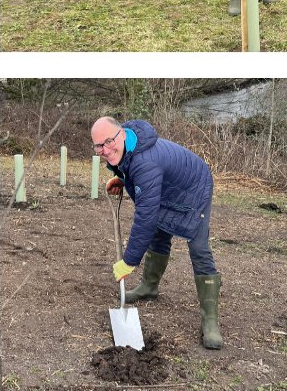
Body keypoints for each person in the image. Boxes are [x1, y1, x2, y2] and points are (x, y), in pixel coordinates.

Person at [92, 116, 222, 350]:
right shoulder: (128, 146)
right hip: (168, 187)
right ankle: (149, 287)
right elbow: (132, 169)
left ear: (121, 134)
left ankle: (210, 320)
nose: (105, 150)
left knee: (198, 247)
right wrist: (122, 178)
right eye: (99, 146)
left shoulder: (146, 162)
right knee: (159, 234)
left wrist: (129, 261)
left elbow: (145, 217)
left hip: (194, 188)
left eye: (108, 142)